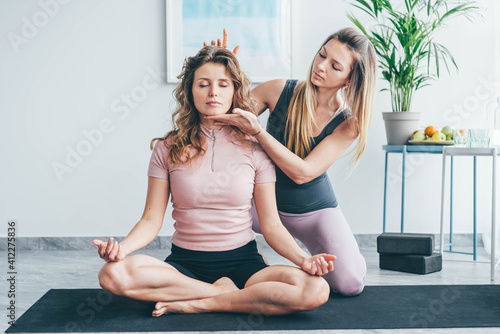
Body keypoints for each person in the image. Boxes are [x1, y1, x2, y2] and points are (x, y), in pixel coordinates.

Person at [92, 46, 336, 317]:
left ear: (235, 91)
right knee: (112, 275)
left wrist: (305, 260)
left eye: (223, 84)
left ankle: (200, 302)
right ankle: (224, 294)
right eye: (203, 84)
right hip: (184, 265)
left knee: (315, 290)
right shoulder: (167, 148)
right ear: (190, 91)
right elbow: (151, 220)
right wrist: (121, 248)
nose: (213, 93)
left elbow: (271, 225)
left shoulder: (256, 150)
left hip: (243, 263)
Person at [205, 27, 377, 296]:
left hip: (313, 213)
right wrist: (220, 70)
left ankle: (338, 254)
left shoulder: (348, 123)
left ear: (349, 80)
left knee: (350, 284)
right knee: (209, 198)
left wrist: (259, 133)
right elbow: (219, 119)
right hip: (261, 209)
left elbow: (303, 173)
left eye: (334, 66)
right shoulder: (278, 90)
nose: (320, 66)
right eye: (321, 55)